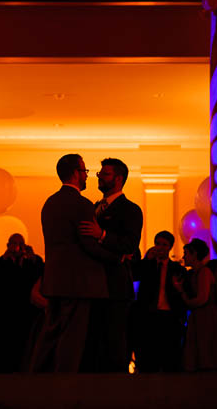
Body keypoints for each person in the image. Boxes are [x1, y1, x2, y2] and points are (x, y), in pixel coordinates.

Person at [29, 154, 116, 372]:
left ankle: (36, 376)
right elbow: (88, 244)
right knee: (72, 337)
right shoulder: (81, 204)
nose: (86, 176)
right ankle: (65, 383)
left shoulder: (50, 203)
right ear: (76, 174)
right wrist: (116, 256)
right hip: (79, 283)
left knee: (50, 331)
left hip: (54, 280)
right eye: (85, 171)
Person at [79, 157, 143, 372]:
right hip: (92, 283)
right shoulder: (95, 207)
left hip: (115, 283)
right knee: (93, 337)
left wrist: (102, 234)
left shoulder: (130, 210)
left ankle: (116, 387)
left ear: (119, 178)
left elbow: (130, 244)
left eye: (105, 174)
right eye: (100, 174)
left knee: (114, 336)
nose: (99, 178)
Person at [131, 230, 186, 372]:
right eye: (158, 244)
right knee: (147, 355)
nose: (160, 247)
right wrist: (146, 259)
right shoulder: (148, 265)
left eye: (164, 244)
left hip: (169, 315)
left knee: (169, 354)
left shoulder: (177, 269)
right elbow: (133, 274)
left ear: (170, 247)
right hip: (148, 314)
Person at [174, 239, 217, 372]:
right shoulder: (194, 273)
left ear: (194, 254)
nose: (183, 257)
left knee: (208, 353)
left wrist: (184, 296)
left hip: (208, 317)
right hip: (200, 316)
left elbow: (202, 299)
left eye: (186, 253)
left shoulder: (204, 272)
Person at [0, 233, 44, 371]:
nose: (17, 248)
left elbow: (42, 272)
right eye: (14, 244)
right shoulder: (3, 263)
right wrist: (5, 258)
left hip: (27, 311)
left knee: (28, 343)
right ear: (8, 245)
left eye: (20, 244)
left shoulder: (32, 262)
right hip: (7, 311)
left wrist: (33, 257)